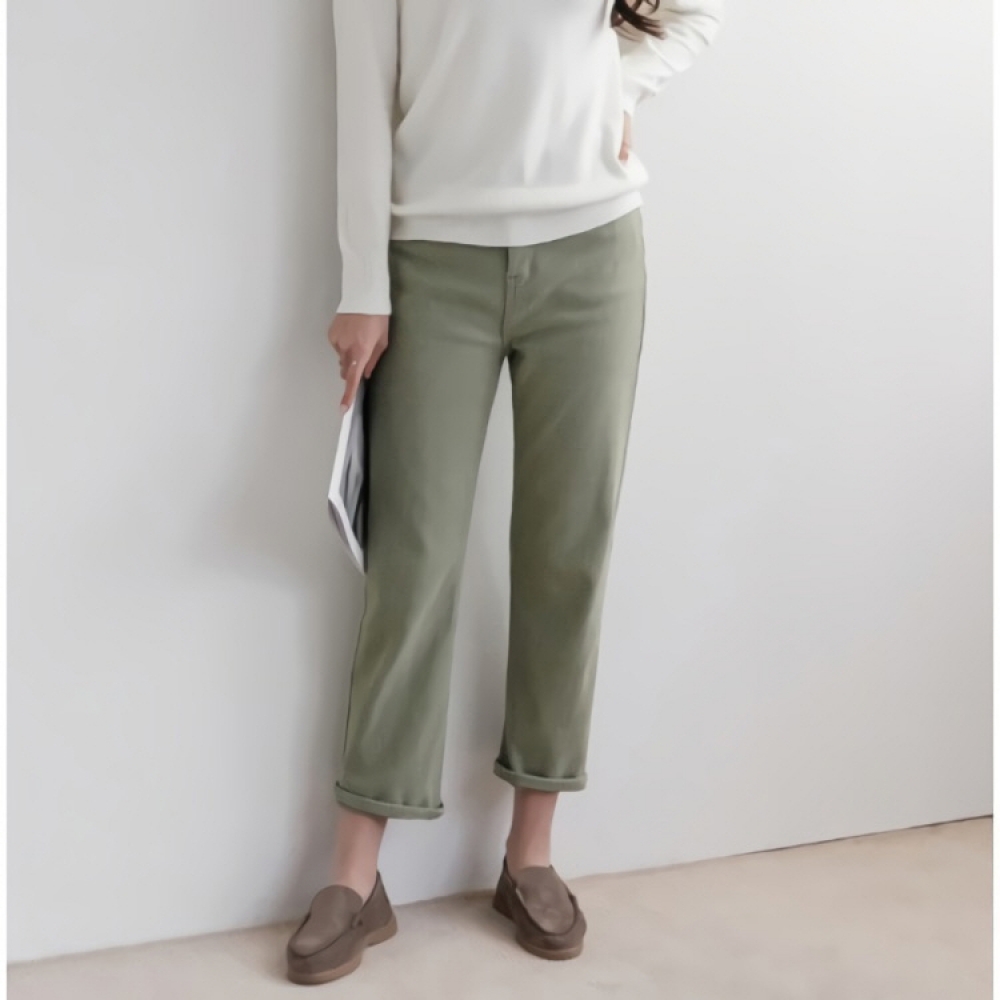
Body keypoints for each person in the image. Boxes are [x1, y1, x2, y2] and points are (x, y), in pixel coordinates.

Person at [286, 0, 725, 985]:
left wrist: (618, 87)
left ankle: (530, 852)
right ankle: (355, 874)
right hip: (432, 260)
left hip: (594, 250)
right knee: (413, 557)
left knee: (569, 551)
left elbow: (694, 11)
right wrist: (364, 286)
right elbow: (363, 94)